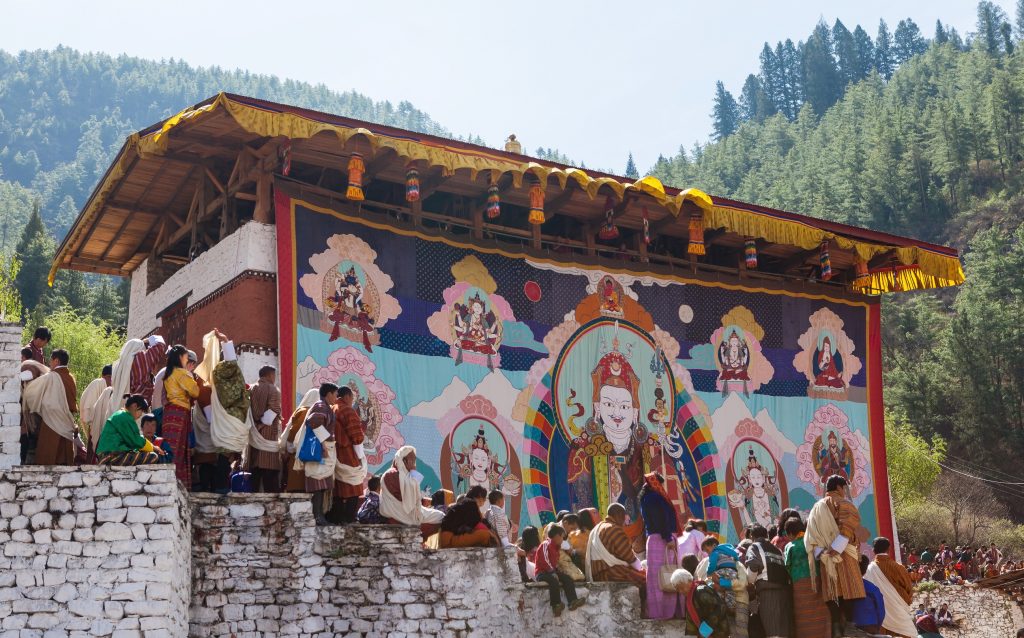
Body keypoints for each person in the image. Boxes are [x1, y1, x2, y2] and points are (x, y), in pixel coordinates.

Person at [805, 474, 864, 637]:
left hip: (824, 558)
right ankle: (850, 627)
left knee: (832, 593)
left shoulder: (815, 508)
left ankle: (837, 624)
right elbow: (847, 528)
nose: (844, 491)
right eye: (844, 488)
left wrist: (821, 553)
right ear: (839, 488)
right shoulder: (843, 503)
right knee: (849, 591)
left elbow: (811, 536)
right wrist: (835, 550)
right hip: (843, 556)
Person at [24, 349, 79, 466]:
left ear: (57, 361)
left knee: (49, 453)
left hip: (51, 420)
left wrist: (24, 385)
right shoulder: (71, 378)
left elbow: (31, 393)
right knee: (64, 454)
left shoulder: (50, 377)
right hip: (67, 419)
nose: (49, 363)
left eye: (51, 360)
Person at [639, 471, 682, 619]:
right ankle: (667, 612)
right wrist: (668, 537)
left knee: (657, 576)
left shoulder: (646, 498)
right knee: (666, 575)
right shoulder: (655, 498)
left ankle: (657, 611)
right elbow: (660, 519)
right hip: (663, 539)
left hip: (655, 539)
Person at [379, 446, 444, 535]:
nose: (414, 465)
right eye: (412, 462)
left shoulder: (402, 475)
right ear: (404, 461)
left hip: (401, 511)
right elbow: (406, 501)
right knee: (440, 516)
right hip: (400, 513)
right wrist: (413, 475)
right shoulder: (392, 475)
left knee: (439, 515)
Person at [784, 516, 830, 638]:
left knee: (803, 614)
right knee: (819, 611)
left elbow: (787, 565)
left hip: (799, 586)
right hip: (817, 581)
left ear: (790, 533)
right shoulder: (813, 542)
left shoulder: (790, 546)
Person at [301, 383, 339, 525]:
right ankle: (317, 516)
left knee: (322, 484)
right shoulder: (321, 406)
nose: (336, 398)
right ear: (328, 394)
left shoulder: (325, 407)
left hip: (324, 448)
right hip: (319, 450)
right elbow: (314, 422)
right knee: (317, 483)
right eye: (335, 394)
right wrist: (323, 443)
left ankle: (320, 516)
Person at [745, 524, 793, 638]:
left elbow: (753, 565)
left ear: (752, 536)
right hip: (784, 590)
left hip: (767, 592)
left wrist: (750, 580)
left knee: (773, 629)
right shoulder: (776, 549)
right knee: (783, 628)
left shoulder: (754, 547)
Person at [161, 344, 199, 486]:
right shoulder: (182, 373)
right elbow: (195, 392)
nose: (186, 359)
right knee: (180, 448)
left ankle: (168, 478)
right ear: (180, 357)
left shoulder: (167, 374)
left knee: (170, 447)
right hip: (180, 412)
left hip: (169, 413)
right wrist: (191, 376)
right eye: (185, 356)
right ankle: (177, 481)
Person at [864, 536, 916, 637]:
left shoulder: (868, 570)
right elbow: (909, 591)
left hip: (879, 618)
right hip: (899, 614)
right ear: (888, 549)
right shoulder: (899, 568)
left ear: (873, 550)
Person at [587, 503, 646, 588]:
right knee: (646, 579)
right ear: (619, 515)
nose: (624, 521)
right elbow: (628, 557)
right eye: (624, 516)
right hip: (611, 572)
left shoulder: (597, 528)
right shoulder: (613, 529)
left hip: (597, 573)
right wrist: (641, 569)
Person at [331, 385, 367, 524]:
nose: (352, 401)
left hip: (335, 453)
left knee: (339, 488)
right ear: (347, 397)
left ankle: (337, 518)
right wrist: (360, 457)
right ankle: (349, 518)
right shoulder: (347, 410)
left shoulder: (332, 408)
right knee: (354, 486)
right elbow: (356, 436)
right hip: (347, 453)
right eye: (352, 398)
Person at [95, 395, 163, 465]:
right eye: (141, 411)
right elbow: (135, 440)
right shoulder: (125, 417)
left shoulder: (120, 415)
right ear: (135, 406)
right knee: (153, 456)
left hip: (108, 455)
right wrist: (153, 447)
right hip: (111, 456)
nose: (140, 415)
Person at [534, 524, 586, 616]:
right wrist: (552, 571)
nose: (562, 540)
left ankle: (572, 601)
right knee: (553, 580)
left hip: (551, 572)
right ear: (557, 536)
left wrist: (556, 571)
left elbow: (555, 562)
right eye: (562, 537)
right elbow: (544, 559)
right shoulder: (546, 544)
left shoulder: (556, 548)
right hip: (542, 573)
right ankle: (556, 605)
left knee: (567, 578)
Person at [248, 365, 283, 493]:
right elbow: (274, 410)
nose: (274, 378)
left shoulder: (251, 388)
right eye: (274, 375)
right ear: (269, 375)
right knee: (270, 468)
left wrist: (256, 426)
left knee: (255, 468)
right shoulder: (273, 389)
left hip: (252, 432)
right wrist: (262, 424)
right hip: (267, 432)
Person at [282, 388, 319, 493]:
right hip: (306, 453)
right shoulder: (307, 412)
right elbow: (295, 431)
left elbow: (292, 431)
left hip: (299, 452)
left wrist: (290, 448)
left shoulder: (303, 411)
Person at [18, 346, 50, 464]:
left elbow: (25, 377)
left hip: (33, 405)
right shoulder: (30, 365)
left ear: (24, 357)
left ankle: (24, 459)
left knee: (26, 430)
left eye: (20, 357)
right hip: (31, 405)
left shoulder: (27, 366)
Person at [80, 363, 111, 459]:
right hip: (93, 425)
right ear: (107, 376)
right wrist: (92, 422)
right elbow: (88, 407)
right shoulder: (98, 383)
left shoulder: (109, 390)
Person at [130, 334, 167, 403]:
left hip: (125, 403)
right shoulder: (141, 359)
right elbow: (161, 343)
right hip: (141, 403)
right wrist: (146, 341)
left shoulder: (120, 364)